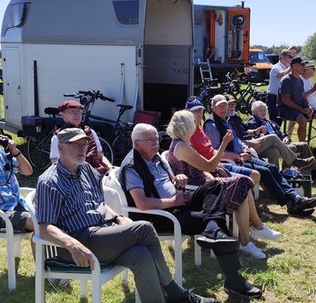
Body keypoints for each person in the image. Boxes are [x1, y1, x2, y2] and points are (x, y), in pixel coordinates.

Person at [36, 127, 215, 303]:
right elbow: (44, 227)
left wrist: (117, 218)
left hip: (102, 233)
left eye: (84, 144)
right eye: (76, 145)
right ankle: (176, 293)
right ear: (60, 147)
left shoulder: (88, 171)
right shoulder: (50, 181)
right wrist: (73, 245)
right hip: (77, 243)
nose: (82, 148)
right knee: (144, 228)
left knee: (141, 254)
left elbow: (100, 203)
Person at [119, 123, 263, 299]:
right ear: (136, 143)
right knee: (212, 221)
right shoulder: (132, 166)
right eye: (150, 140)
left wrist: (176, 178)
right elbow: (141, 203)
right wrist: (172, 200)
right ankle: (234, 279)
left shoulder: (155, 157)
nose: (156, 143)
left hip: (178, 202)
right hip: (160, 216)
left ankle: (213, 228)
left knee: (215, 185)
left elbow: (167, 180)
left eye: (157, 138)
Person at [166, 110, 282, 259]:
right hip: (198, 194)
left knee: (243, 185)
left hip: (205, 185)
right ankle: (249, 237)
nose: (196, 124)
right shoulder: (181, 146)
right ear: (187, 125)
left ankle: (253, 233)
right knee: (242, 184)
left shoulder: (183, 143)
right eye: (193, 121)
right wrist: (223, 144)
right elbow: (209, 166)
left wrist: (211, 178)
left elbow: (202, 170)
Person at [204, 94, 316, 216]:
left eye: (225, 105)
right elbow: (214, 151)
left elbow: (236, 140)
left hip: (243, 154)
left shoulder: (226, 120)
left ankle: (295, 198)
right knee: (265, 171)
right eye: (220, 106)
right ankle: (291, 202)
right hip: (232, 161)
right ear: (213, 108)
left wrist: (245, 148)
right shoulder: (211, 125)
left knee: (272, 168)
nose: (224, 108)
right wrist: (238, 157)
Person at [246, 100, 316, 182]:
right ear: (254, 112)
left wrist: (286, 138)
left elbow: (282, 134)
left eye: (264, 109)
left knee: (303, 145)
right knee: (290, 148)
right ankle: (288, 169)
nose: (264, 112)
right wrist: (261, 133)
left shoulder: (269, 122)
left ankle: (314, 172)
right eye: (261, 110)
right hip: (270, 146)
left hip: (281, 143)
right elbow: (256, 139)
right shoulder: (252, 122)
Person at [49, 100, 112, 175]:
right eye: (73, 112)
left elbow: (100, 156)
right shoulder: (58, 137)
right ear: (63, 115)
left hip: (96, 175)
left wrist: (111, 169)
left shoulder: (90, 132)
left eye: (79, 112)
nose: (78, 115)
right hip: (73, 179)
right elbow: (55, 163)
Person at [266, 49, 293, 125]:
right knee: (274, 120)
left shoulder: (286, 68)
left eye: (292, 57)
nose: (291, 59)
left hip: (282, 98)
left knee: (279, 121)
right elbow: (282, 74)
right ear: (281, 57)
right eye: (289, 56)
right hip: (273, 97)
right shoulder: (276, 67)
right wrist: (291, 67)